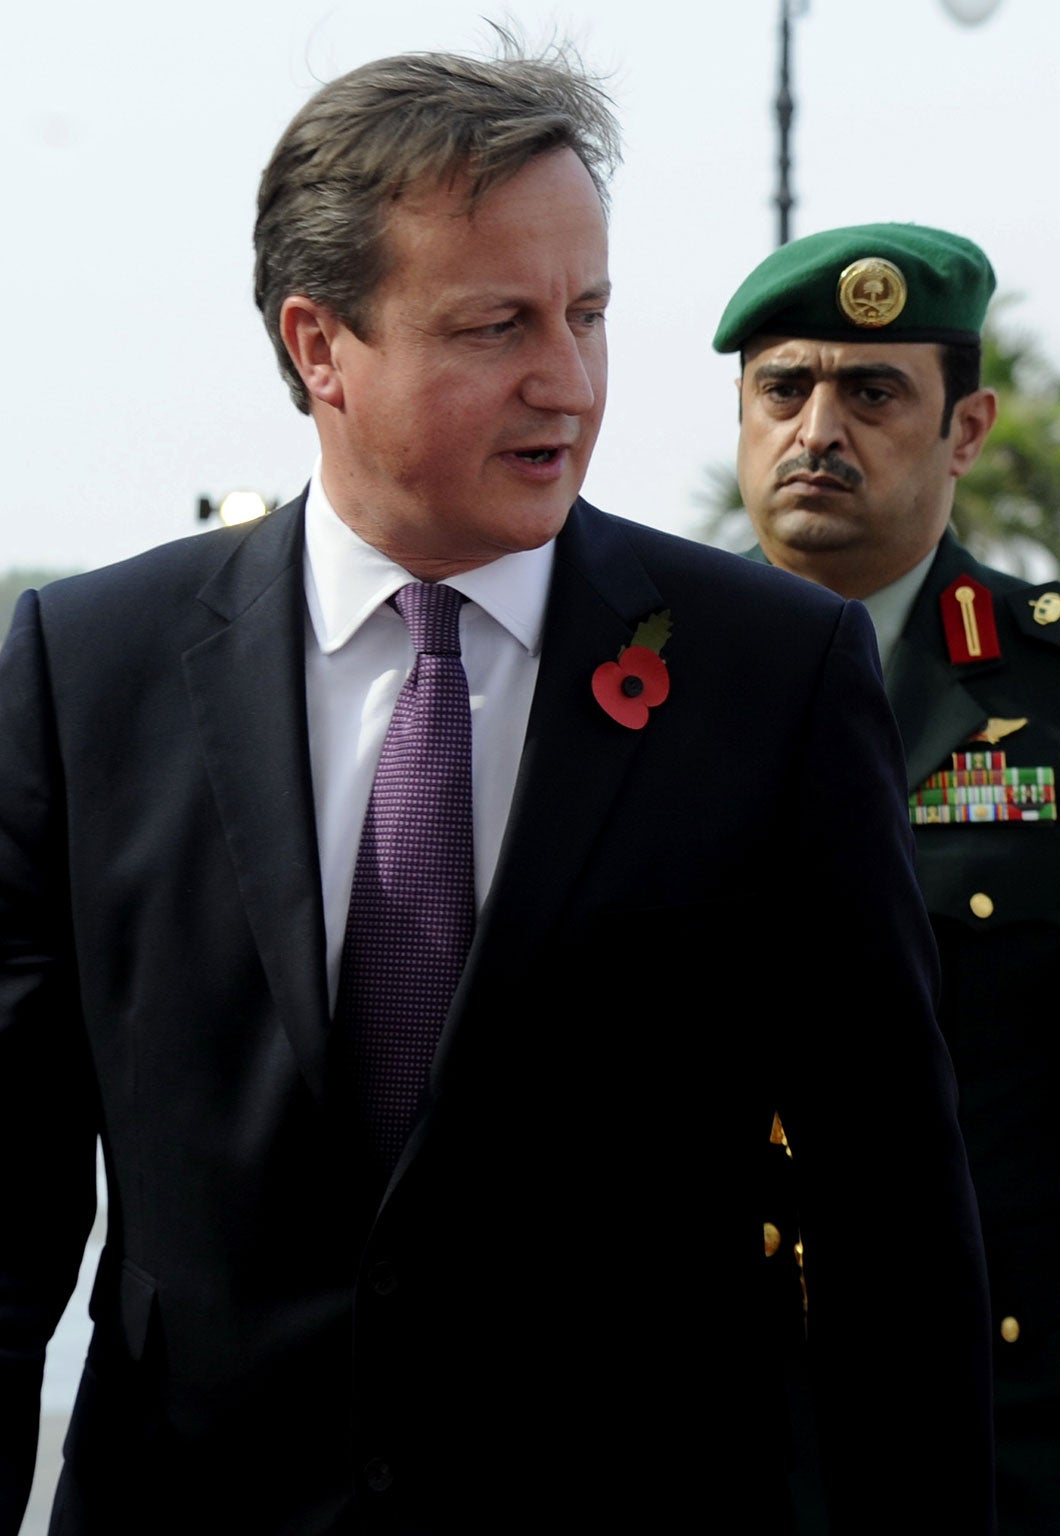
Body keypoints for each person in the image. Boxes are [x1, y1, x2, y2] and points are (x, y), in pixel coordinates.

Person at [0, 48, 993, 1534]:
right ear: (319, 344)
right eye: (496, 326)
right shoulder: (89, 671)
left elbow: (891, 1217)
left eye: (587, 314)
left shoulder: (768, 676)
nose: (570, 381)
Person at [716, 223, 1060, 1534]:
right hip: (692, 1415)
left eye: (874, 393)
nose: (818, 429)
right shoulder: (632, 680)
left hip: (994, 1422)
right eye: (785, 389)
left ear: (967, 428)